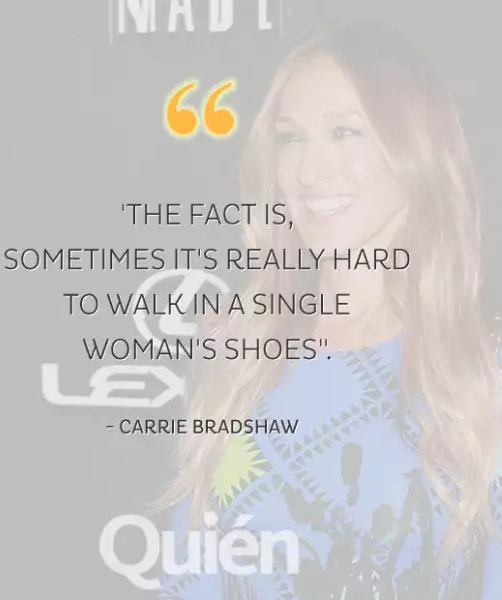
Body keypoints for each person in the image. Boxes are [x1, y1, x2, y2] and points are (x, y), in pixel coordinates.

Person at [153, 21, 502, 599]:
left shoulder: (481, 372)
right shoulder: (237, 350)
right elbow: (188, 575)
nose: (309, 172)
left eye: (345, 131)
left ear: (415, 149)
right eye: (291, 139)